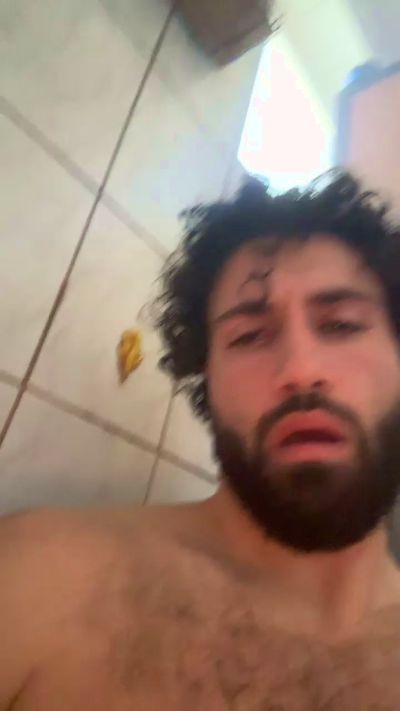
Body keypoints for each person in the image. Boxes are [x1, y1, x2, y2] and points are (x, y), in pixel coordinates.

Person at [2, 171, 400, 710]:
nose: (300, 370)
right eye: (249, 336)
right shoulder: (41, 581)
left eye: (342, 325)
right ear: (205, 378)